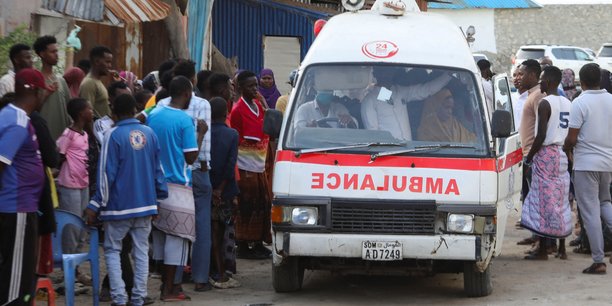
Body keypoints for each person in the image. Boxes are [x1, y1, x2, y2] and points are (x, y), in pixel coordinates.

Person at [86, 94, 168, 306]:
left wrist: (95, 204)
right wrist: (158, 198)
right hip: (146, 204)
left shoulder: (112, 135)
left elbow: (106, 175)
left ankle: (119, 297)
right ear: (134, 110)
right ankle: (138, 297)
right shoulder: (149, 133)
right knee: (140, 252)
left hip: (118, 207)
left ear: (114, 113)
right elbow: (159, 171)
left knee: (113, 250)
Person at [154, 60, 212, 292]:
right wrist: (200, 136)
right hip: (193, 172)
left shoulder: (159, 107)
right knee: (198, 228)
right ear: (191, 83)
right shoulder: (200, 106)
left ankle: (172, 280)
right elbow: (198, 151)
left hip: (161, 176)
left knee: (168, 229)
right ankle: (199, 279)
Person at [0, 68, 48, 305]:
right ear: (36, 91)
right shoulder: (18, 122)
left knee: (15, 274)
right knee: (16, 281)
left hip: (18, 206)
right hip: (16, 207)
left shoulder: (10, 115)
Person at [564, 63, 612, 274]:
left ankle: (598, 260)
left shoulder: (580, 102)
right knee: (605, 202)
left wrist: (566, 149)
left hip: (585, 164)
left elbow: (572, 138)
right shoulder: (611, 100)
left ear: (581, 82)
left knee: (590, 211)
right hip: (607, 162)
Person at [520, 66, 572, 260]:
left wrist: (530, 157)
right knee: (560, 199)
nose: (540, 82)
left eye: (542, 79)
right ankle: (562, 248)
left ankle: (542, 249)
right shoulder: (568, 102)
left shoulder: (545, 103)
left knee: (543, 201)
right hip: (561, 155)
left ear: (549, 82)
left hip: (546, 154)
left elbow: (541, 135)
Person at [230, 70, 272, 259]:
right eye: (250, 86)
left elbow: (269, 125)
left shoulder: (257, 105)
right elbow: (239, 137)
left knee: (262, 203)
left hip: (259, 162)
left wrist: (264, 105)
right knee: (248, 204)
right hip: (246, 164)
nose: (255, 89)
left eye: (256, 85)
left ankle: (257, 242)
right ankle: (244, 243)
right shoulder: (238, 110)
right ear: (240, 88)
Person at [361, 67, 451, 141]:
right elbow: (373, 135)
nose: (387, 74)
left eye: (389, 70)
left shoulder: (400, 92)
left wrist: (448, 75)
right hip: (387, 155)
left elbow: (426, 90)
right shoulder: (369, 101)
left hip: (408, 152)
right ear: (375, 73)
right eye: (383, 70)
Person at [56, 99, 93, 271]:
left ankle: (75, 267)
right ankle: (68, 267)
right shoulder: (67, 135)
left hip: (83, 183)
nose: (92, 112)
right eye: (89, 109)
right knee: (71, 226)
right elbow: (59, 156)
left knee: (82, 224)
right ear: (80, 113)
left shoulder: (85, 134)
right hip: (69, 184)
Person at [208, 97, 241, 289]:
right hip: (225, 190)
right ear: (225, 113)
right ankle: (221, 274)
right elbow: (230, 166)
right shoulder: (232, 135)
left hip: (207, 188)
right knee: (222, 232)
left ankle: (215, 271)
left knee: (212, 231)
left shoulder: (202, 132)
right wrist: (220, 190)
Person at [34, 35, 72, 140]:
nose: (56, 55)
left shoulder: (61, 81)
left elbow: (70, 110)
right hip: (44, 140)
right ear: (42, 54)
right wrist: (45, 94)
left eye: (57, 51)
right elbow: (32, 111)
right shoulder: (36, 80)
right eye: (52, 52)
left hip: (63, 141)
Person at [80, 46, 113, 118]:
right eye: (107, 62)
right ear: (97, 61)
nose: (110, 66)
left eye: (110, 62)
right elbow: (86, 115)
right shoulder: (89, 83)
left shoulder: (97, 81)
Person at [512, 65, 528, 129]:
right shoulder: (510, 98)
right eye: (514, 75)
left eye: (520, 75)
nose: (516, 78)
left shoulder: (533, 98)